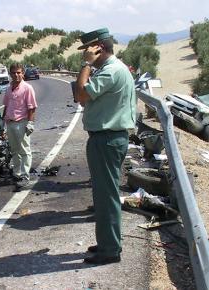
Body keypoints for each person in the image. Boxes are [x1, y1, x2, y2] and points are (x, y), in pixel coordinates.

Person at [73, 28, 137, 265]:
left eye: (88, 49)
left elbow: (81, 94)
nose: (86, 53)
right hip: (109, 138)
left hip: (106, 140)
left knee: (106, 195)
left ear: (98, 47)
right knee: (104, 194)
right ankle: (109, 242)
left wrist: (86, 65)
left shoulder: (109, 71)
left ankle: (110, 250)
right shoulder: (116, 69)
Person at [2, 63, 38, 190]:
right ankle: (17, 174)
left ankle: (24, 176)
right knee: (14, 150)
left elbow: (32, 107)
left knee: (24, 150)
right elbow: (6, 106)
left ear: (23, 73)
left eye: (18, 72)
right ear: (10, 74)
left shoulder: (27, 88)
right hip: (10, 123)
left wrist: (30, 123)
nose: (16, 75)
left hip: (22, 122)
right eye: (13, 73)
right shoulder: (8, 88)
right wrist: (3, 124)